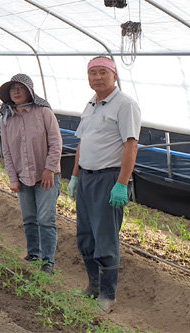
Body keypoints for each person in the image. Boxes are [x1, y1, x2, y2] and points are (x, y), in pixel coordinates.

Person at [66, 56, 141, 313]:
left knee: (105, 237)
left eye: (102, 72)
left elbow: (131, 144)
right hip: (87, 177)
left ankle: (108, 296)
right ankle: (93, 286)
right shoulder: (91, 104)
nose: (97, 77)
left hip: (108, 177)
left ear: (114, 76)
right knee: (86, 235)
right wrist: (75, 175)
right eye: (92, 73)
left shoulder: (125, 105)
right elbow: (82, 143)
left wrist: (121, 183)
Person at [0, 74, 62, 275]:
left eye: (20, 88)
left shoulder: (43, 112)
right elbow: (6, 150)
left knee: (45, 218)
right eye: (12, 89)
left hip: (46, 176)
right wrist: (13, 178)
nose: (15, 92)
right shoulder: (7, 117)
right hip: (22, 176)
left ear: (30, 92)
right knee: (29, 218)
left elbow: (56, 143)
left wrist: (50, 169)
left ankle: (48, 261)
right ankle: (33, 254)